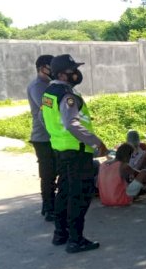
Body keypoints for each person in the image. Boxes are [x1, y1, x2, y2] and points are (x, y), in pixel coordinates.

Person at [41, 54, 108, 253]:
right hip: (77, 152)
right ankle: (75, 240)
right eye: (73, 71)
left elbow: (42, 118)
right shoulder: (66, 95)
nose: (76, 74)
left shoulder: (49, 93)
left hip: (60, 150)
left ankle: (60, 234)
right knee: (78, 197)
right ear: (62, 74)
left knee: (64, 192)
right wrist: (96, 142)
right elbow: (71, 123)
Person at [27, 54, 57, 221]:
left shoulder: (50, 84)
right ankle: (48, 206)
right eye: (50, 67)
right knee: (48, 174)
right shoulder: (38, 86)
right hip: (43, 137)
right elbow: (45, 110)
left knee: (56, 170)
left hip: (53, 136)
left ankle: (52, 205)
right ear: (41, 68)